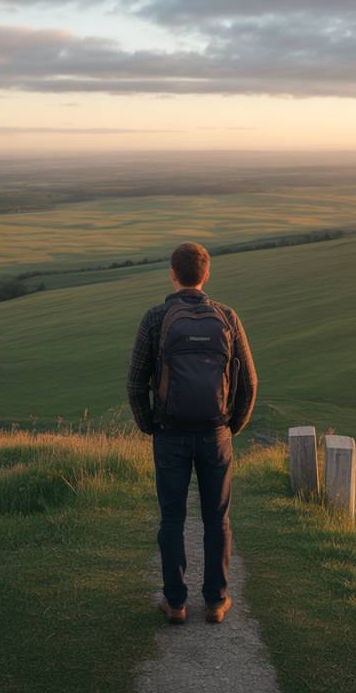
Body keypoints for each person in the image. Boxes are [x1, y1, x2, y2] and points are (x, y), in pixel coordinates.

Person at [126, 241, 258, 625]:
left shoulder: (155, 317)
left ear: (172, 273)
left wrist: (149, 424)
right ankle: (216, 602)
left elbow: (135, 382)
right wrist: (233, 424)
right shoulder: (227, 316)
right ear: (206, 273)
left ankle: (175, 603)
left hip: (170, 433)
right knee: (217, 518)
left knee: (172, 518)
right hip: (216, 432)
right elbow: (249, 381)